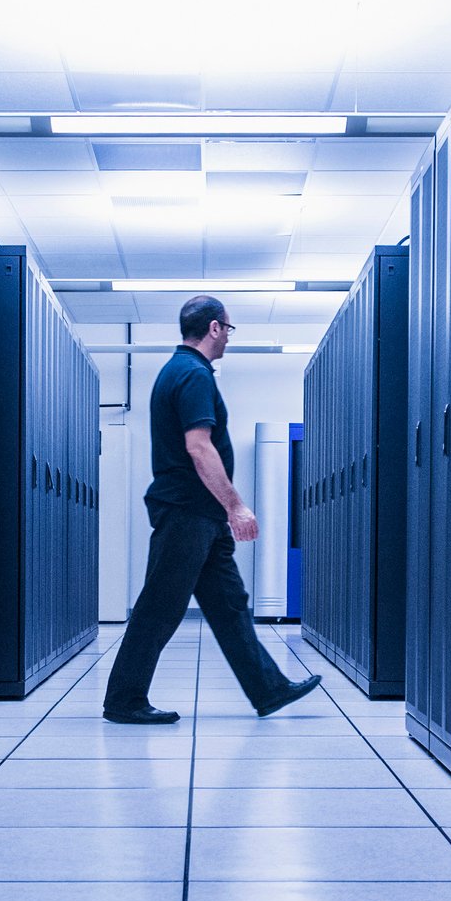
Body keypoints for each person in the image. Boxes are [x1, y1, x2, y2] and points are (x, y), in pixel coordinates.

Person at [102, 295, 324, 725]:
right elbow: (198, 447)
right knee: (160, 606)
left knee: (229, 605)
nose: (228, 338)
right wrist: (236, 505)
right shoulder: (192, 374)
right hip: (187, 510)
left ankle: (269, 688)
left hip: (201, 514)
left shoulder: (181, 370)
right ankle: (124, 700)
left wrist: (222, 512)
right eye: (229, 329)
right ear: (215, 328)